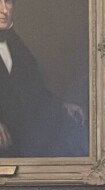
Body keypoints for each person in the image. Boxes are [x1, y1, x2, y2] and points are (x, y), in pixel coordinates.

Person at [0, 0, 87, 157]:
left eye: (8, 2)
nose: (4, 9)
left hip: (22, 140)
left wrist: (62, 105)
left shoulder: (16, 43)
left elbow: (35, 89)